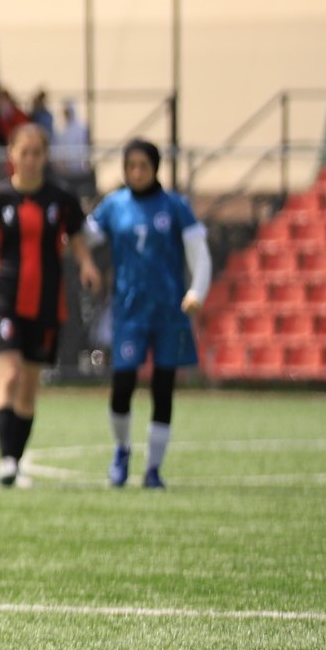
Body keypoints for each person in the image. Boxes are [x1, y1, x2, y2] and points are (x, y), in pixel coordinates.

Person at [0, 124, 100, 487]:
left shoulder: (60, 199)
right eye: (23, 152)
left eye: (37, 153)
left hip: (46, 302)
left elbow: (76, 240)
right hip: (3, 300)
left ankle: (14, 458)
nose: (30, 160)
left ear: (45, 157)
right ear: (11, 154)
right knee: (9, 376)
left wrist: (88, 264)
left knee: (29, 386)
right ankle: (6, 461)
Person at [86, 140, 210, 489]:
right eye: (130, 166)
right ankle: (122, 449)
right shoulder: (114, 206)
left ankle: (154, 467)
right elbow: (85, 236)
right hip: (128, 310)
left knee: (163, 387)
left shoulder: (174, 206)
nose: (136, 172)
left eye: (143, 165)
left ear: (155, 168)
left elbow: (199, 251)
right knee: (122, 385)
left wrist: (196, 291)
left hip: (169, 311)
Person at [52, 98, 94, 197]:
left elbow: (85, 146)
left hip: (79, 170)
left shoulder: (81, 128)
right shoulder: (60, 129)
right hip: (65, 171)